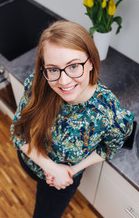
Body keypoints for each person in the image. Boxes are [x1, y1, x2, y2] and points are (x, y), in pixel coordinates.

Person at [11, 20, 134, 218]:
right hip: (31, 160)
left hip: (63, 181)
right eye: (53, 69)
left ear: (91, 61)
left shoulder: (109, 113)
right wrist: (51, 167)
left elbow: (109, 147)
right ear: (44, 68)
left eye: (74, 66)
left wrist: (69, 171)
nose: (64, 81)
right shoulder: (37, 85)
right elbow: (18, 133)